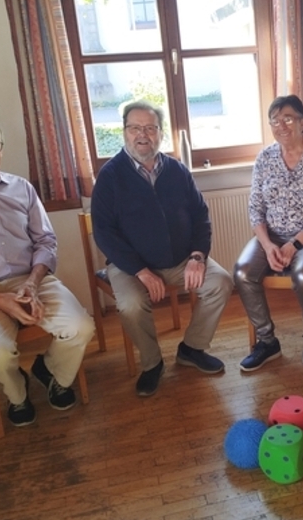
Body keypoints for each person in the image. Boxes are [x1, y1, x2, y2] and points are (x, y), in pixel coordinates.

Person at [0, 116, 95, 427]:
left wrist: (33, 284)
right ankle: (18, 393)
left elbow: (45, 240)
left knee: (81, 327)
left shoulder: (21, 187)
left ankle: (51, 372)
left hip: (32, 280)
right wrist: (2, 301)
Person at [91, 100, 233, 397]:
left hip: (180, 259)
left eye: (150, 128)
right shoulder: (110, 176)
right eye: (135, 128)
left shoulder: (177, 170)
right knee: (131, 304)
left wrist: (197, 257)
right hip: (130, 265)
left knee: (221, 282)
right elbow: (104, 233)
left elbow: (200, 216)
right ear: (124, 132)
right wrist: (140, 271)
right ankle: (152, 363)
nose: (143, 135)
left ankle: (192, 348)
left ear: (160, 133)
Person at [234, 94, 303, 371]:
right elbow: (255, 208)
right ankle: (267, 341)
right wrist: (268, 245)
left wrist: (294, 244)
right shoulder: (265, 158)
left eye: (288, 119)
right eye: (274, 121)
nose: (281, 126)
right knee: (243, 272)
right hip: (272, 235)